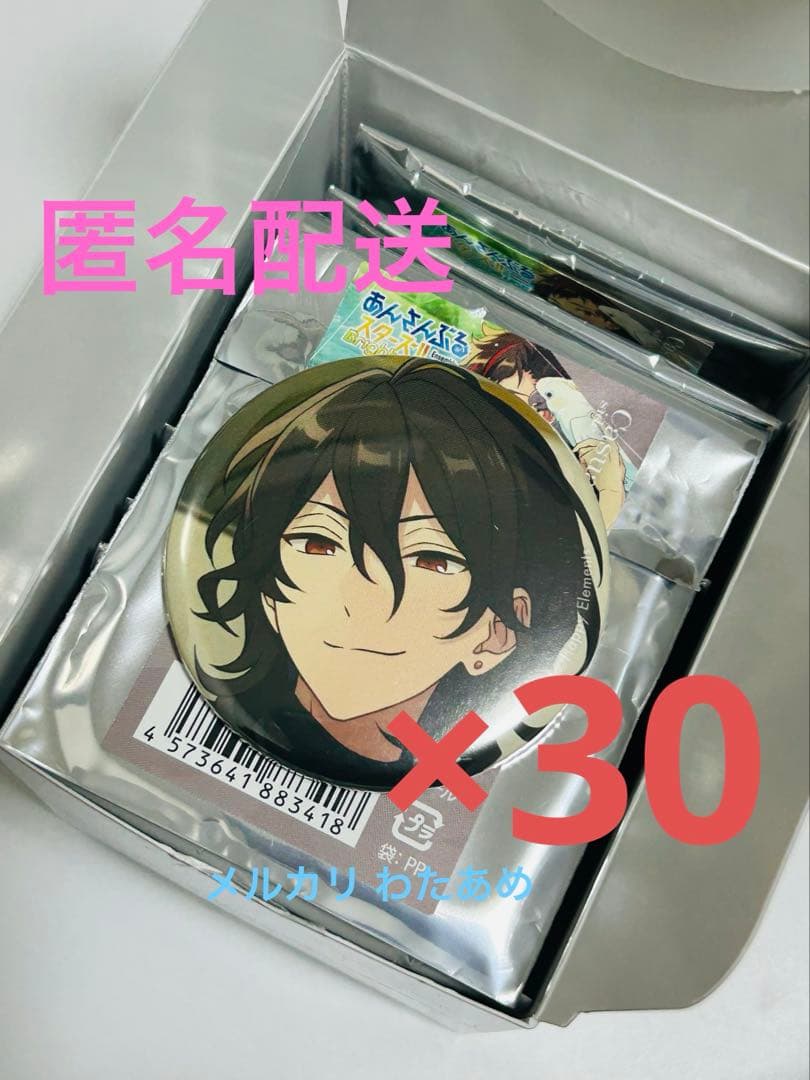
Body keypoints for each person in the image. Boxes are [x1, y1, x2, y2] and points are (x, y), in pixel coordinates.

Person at [193, 356, 606, 786]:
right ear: (267, 586)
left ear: (498, 631)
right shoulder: (239, 706)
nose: (358, 599)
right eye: (319, 544)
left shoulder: (463, 761)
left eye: (431, 560)